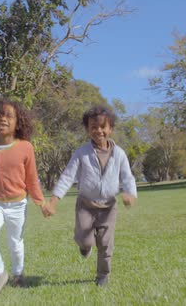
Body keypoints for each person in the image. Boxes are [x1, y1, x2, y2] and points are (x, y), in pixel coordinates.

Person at [43, 105, 137, 287]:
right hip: (85, 205)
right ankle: (84, 246)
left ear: (111, 128)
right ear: (88, 129)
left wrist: (130, 193)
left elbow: (127, 176)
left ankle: (103, 275)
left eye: (103, 127)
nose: (99, 131)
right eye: (94, 127)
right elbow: (67, 177)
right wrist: (53, 201)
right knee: (85, 240)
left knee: (105, 243)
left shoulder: (119, 154)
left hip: (108, 207)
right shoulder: (82, 153)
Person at [0, 98, 46, 299]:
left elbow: (31, 176)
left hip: (18, 203)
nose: (2, 119)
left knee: (15, 243)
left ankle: (18, 273)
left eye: (9, 116)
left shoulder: (25, 147)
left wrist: (40, 201)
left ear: (18, 122)